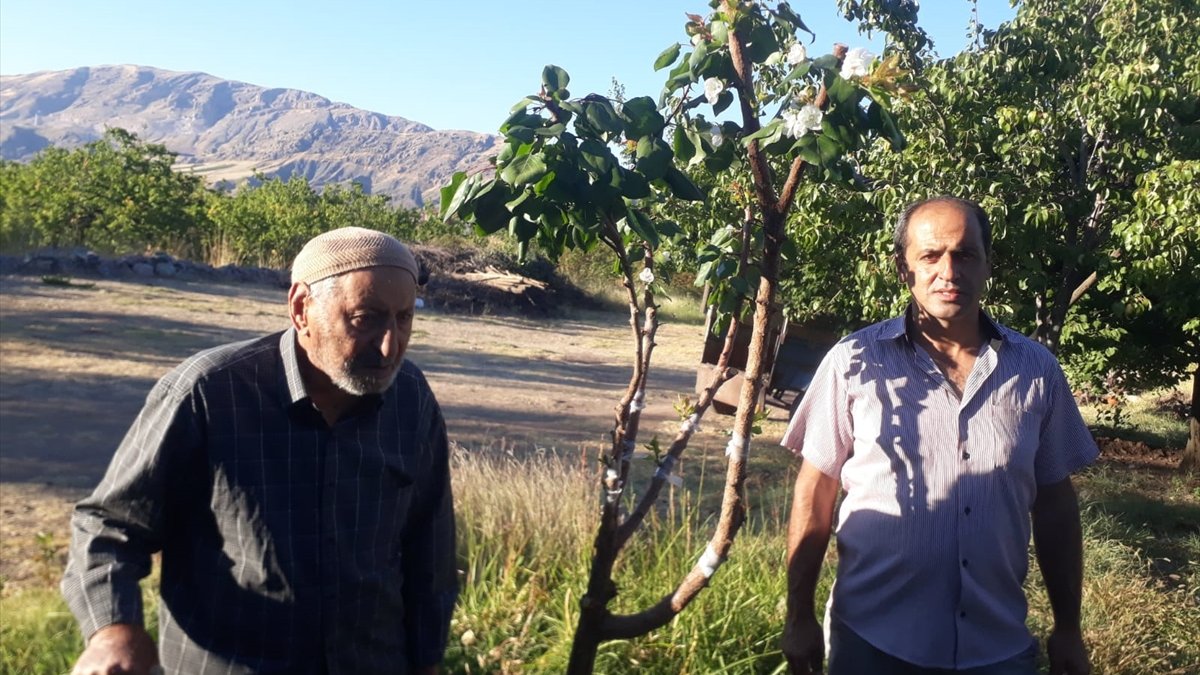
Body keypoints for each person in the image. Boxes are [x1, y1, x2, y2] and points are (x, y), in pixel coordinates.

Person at [62, 227, 457, 675]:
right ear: (301, 308)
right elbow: (109, 525)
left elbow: (431, 550)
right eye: (366, 319)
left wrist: (427, 660)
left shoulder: (411, 401)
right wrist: (114, 632)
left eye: (404, 318)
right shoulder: (208, 394)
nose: (390, 346)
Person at [780, 196, 1097, 675]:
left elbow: (1054, 503)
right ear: (903, 268)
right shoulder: (854, 363)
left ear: (987, 265)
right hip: (871, 642)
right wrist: (798, 615)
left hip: (997, 648)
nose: (948, 271)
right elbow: (815, 490)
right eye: (930, 255)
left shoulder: (1037, 371)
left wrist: (1067, 627)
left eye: (965, 254)